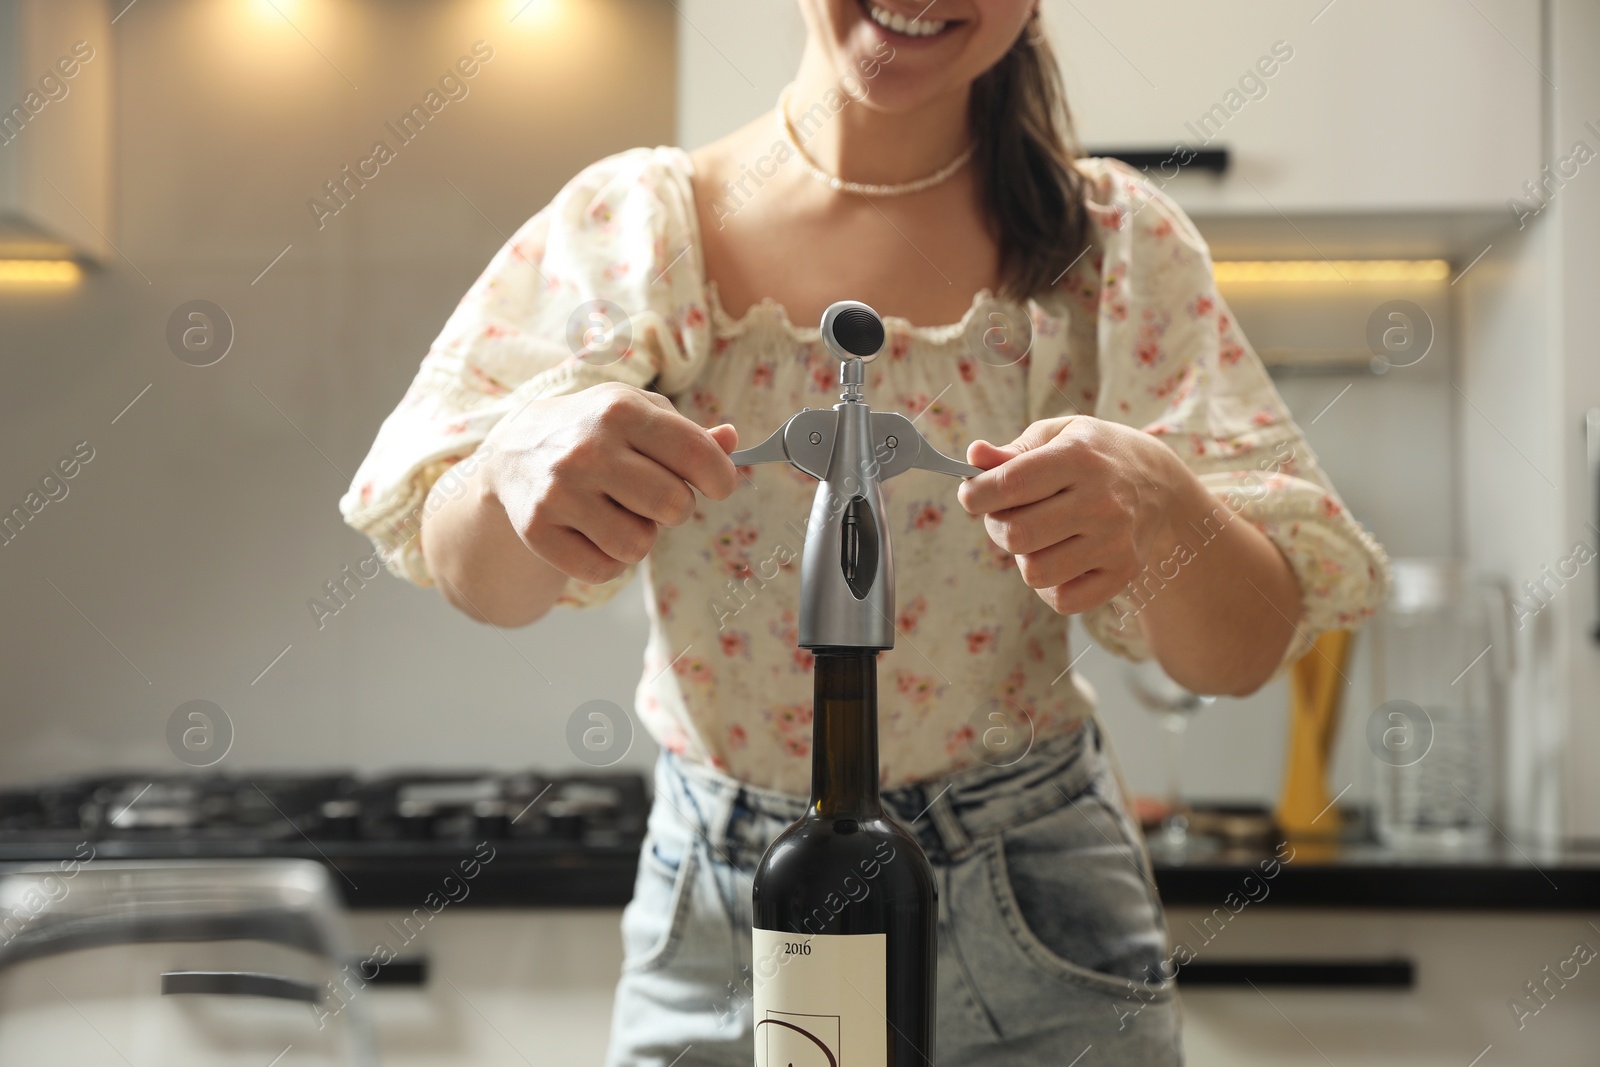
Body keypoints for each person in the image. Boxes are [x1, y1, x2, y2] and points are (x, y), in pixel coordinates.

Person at [341, 2, 1390, 1062]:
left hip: (1034, 911)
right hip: (720, 909)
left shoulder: (1111, 247)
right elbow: (482, 580)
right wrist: (515, 461)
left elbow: (1245, 647)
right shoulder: (640, 226)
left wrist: (1168, 505)